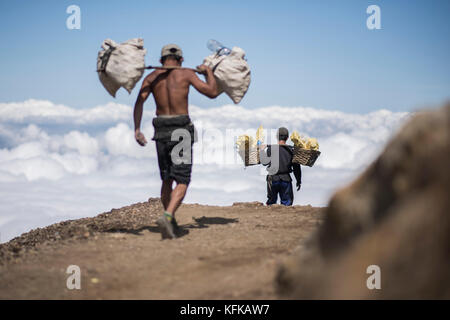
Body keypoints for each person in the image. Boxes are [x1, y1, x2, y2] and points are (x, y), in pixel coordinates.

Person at [133, 44, 219, 239]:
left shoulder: (151, 77)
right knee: (182, 179)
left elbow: (139, 102)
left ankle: (170, 221)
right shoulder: (186, 74)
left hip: (161, 128)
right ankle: (167, 215)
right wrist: (208, 73)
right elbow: (212, 92)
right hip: (181, 129)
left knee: (167, 179)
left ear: (162, 60)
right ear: (180, 60)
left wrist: (137, 129)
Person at [260, 127, 302, 206]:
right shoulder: (291, 150)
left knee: (271, 203)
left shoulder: (271, 149)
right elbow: (296, 167)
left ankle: (270, 217)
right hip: (286, 180)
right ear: (287, 137)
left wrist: (262, 150)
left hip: (273, 179)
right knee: (287, 204)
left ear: (276, 137)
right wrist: (298, 180)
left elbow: (264, 162)